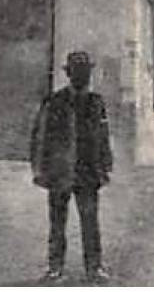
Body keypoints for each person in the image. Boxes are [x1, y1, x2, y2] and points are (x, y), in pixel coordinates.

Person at [30, 50, 113, 282]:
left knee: (90, 222)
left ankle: (94, 268)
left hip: (87, 172)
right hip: (60, 171)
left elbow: (104, 136)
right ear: (69, 74)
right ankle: (55, 267)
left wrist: (105, 166)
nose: (82, 76)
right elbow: (41, 135)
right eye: (77, 72)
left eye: (85, 72)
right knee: (57, 223)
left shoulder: (97, 103)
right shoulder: (55, 101)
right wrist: (39, 169)